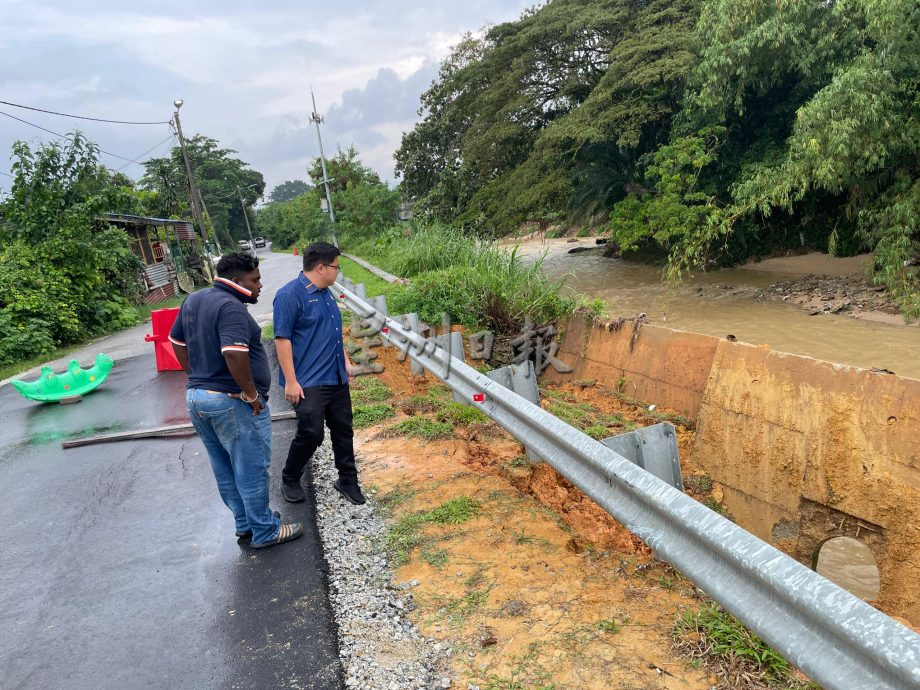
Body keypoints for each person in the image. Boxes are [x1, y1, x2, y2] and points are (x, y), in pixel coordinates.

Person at [169, 252, 303, 548]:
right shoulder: (230, 307)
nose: (259, 286)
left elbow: (176, 341)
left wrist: (197, 376)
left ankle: (246, 523)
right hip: (231, 402)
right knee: (251, 467)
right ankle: (265, 531)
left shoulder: (194, 299)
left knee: (225, 467)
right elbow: (234, 353)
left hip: (198, 398)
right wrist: (252, 395)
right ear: (235, 280)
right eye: (254, 280)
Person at [273, 242, 366, 506]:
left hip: (335, 377)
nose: (338, 271)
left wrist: (345, 362)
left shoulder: (326, 293)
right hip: (308, 381)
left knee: (343, 430)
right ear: (321, 267)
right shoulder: (290, 295)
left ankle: (348, 480)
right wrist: (290, 381)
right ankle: (290, 476)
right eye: (336, 266)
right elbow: (282, 340)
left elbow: (332, 332)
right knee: (312, 433)